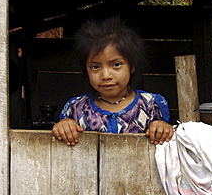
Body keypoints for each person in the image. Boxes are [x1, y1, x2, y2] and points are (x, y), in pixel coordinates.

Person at [52, 16, 174, 146]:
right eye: (95, 67)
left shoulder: (151, 106)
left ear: (132, 66)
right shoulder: (76, 108)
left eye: (116, 65)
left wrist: (163, 127)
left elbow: (167, 141)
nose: (105, 75)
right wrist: (64, 126)